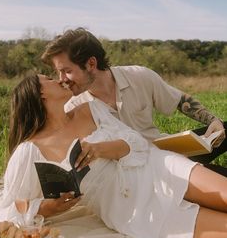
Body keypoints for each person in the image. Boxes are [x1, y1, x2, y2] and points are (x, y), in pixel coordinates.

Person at [0, 74, 227, 238]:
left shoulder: (90, 108)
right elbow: (9, 207)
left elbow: (138, 144)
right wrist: (49, 207)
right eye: (47, 79)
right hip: (131, 206)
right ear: (41, 95)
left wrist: (100, 150)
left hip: (157, 167)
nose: (58, 79)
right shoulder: (29, 150)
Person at [41, 28, 227, 175]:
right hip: (144, 174)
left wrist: (213, 121)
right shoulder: (74, 107)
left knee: (225, 128)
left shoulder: (139, 76)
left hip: (169, 150)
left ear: (91, 64)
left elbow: (180, 100)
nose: (61, 78)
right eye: (59, 72)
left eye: (66, 70)